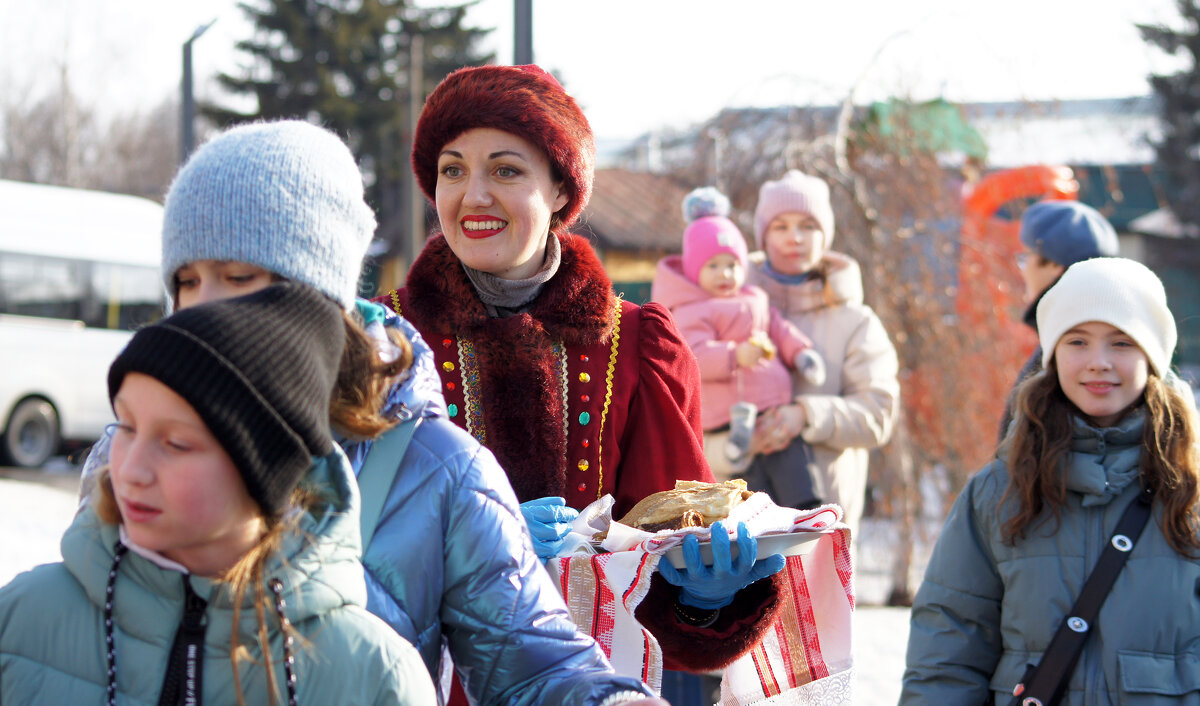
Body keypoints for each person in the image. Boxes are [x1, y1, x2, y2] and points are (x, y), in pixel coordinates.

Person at [78, 120, 666, 705]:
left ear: (322, 292)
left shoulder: (437, 466)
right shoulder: (126, 453)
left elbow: (535, 665)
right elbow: (79, 648)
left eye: (239, 277)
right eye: (186, 281)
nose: (206, 308)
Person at [376, 64, 787, 677]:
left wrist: (706, 598)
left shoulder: (639, 344)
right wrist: (473, 551)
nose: (474, 195)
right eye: (453, 169)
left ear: (562, 192)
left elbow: (670, 540)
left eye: (506, 170)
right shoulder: (382, 346)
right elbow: (334, 549)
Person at [1, 283, 437, 704]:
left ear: (265, 467)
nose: (129, 470)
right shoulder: (20, 619)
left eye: (176, 443)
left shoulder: (376, 676)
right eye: (127, 427)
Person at [901, 257, 1200, 704]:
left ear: (1152, 354)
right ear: (1052, 354)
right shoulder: (998, 490)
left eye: (1121, 343)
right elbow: (948, 647)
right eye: (1077, 341)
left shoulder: (1192, 490)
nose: (1098, 362)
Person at [745, 169, 900, 534]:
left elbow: (879, 414)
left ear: (825, 235)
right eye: (780, 226)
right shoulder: (726, 312)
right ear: (763, 235)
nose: (794, 238)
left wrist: (807, 415)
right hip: (737, 525)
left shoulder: (856, 321)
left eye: (808, 225)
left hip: (824, 527)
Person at [651, 186, 825, 510]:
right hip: (729, 417)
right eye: (713, 266)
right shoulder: (691, 310)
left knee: (792, 461)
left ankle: (808, 506)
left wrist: (802, 354)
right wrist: (734, 355)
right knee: (750, 484)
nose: (724, 275)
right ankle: (755, 511)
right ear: (694, 270)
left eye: (731, 265)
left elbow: (778, 329)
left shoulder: (754, 299)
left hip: (770, 406)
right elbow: (694, 356)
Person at [996, 199, 1119, 441]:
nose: (1021, 270)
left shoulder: (1062, 349)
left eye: (1025, 257)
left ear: (1053, 265)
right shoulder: (1125, 341)